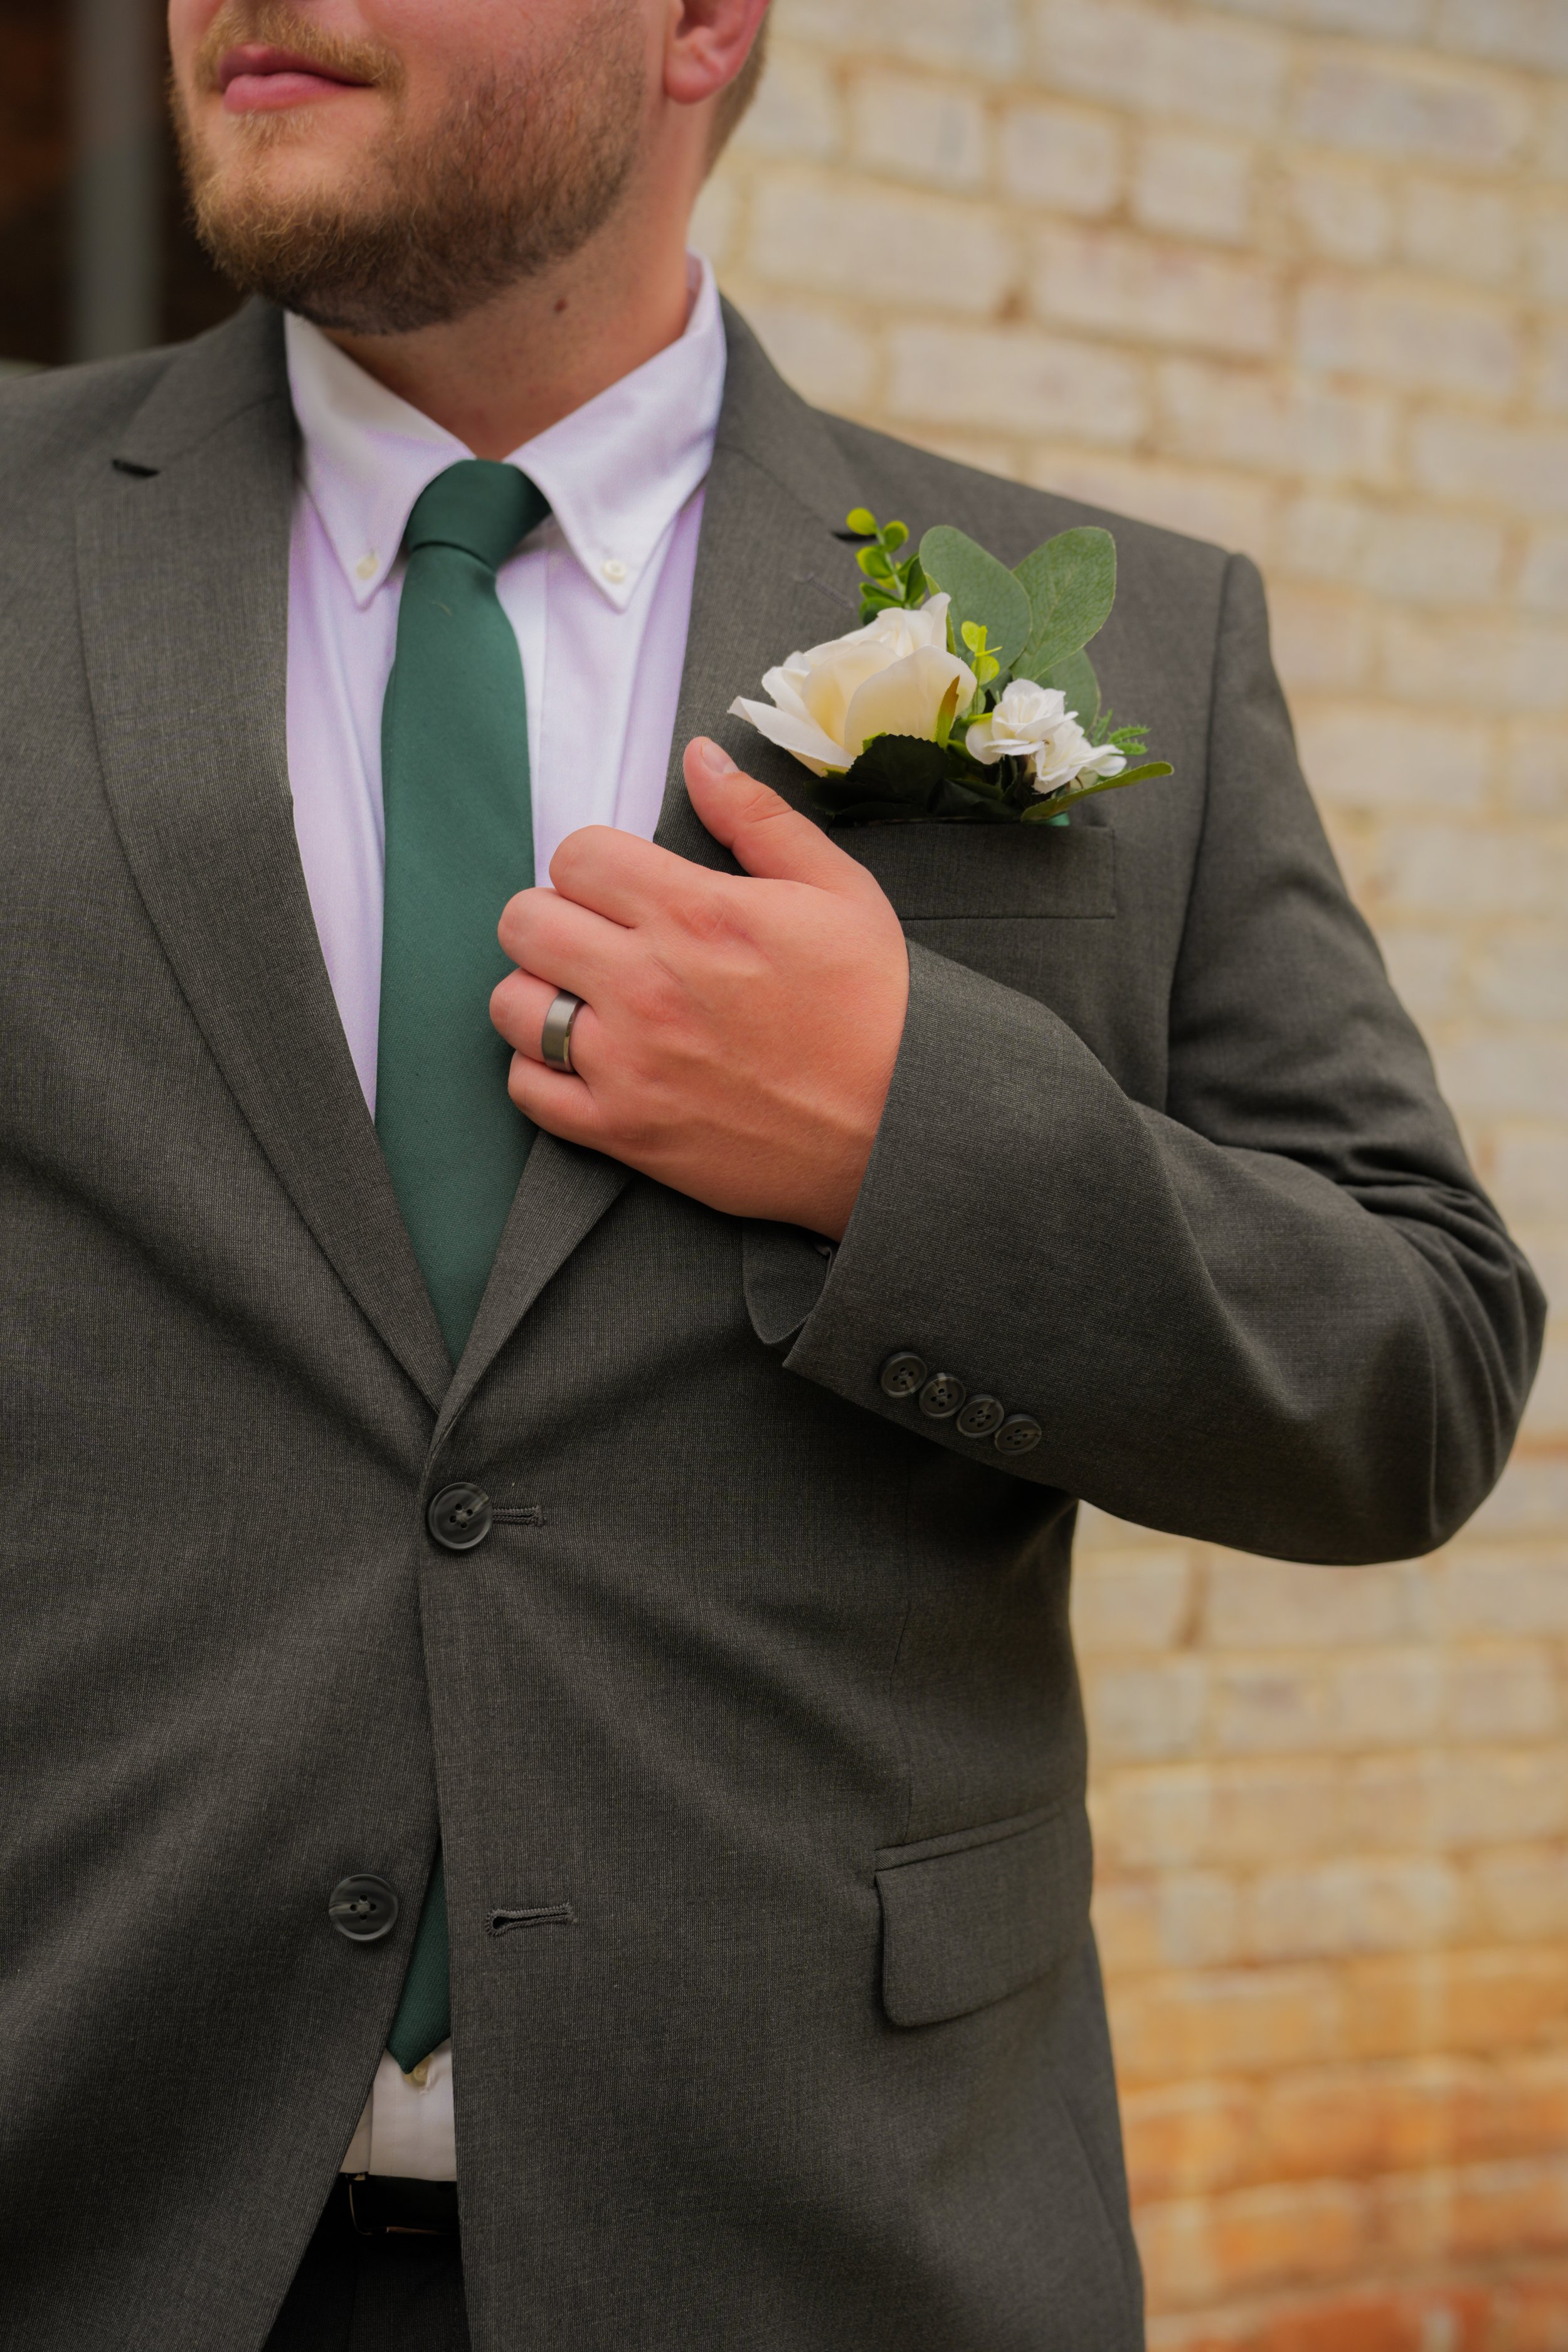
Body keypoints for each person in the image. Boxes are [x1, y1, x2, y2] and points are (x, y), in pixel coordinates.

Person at [0, 0, 1543, 2345]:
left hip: (830, 2252)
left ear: (702, 22)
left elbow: (1413, 1373)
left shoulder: (1113, 632)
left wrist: (909, 1130)